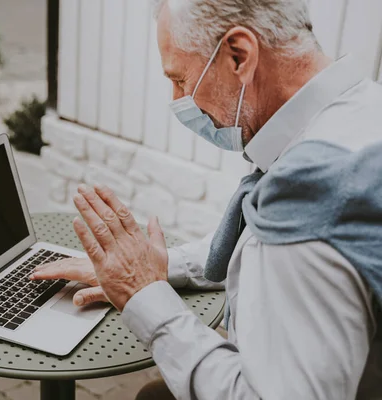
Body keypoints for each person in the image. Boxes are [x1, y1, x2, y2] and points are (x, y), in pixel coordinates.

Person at [30, 0, 382, 398]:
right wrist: (160, 265)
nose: (180, 99)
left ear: (238, 56)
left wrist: (142, 294)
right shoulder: (362, 111)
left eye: (180, 79)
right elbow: (257, 248)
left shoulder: (313, 193)